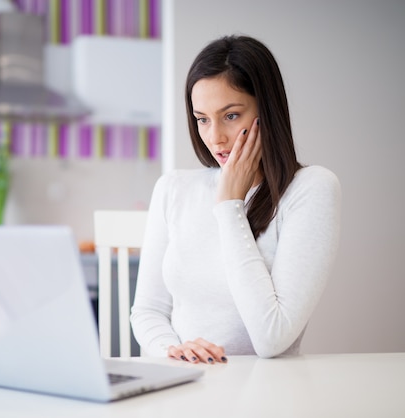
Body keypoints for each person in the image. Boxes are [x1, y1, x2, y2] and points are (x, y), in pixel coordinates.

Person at [129, 35, 341, 362]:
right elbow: (148, 310)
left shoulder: (311, 189)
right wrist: (174, 352)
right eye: (202, 119)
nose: (215, 138)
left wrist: (230, 206)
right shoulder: (173, 188)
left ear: (266, 111)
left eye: (230, 116)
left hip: (265, 394)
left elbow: (272, 340)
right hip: (184, 386)